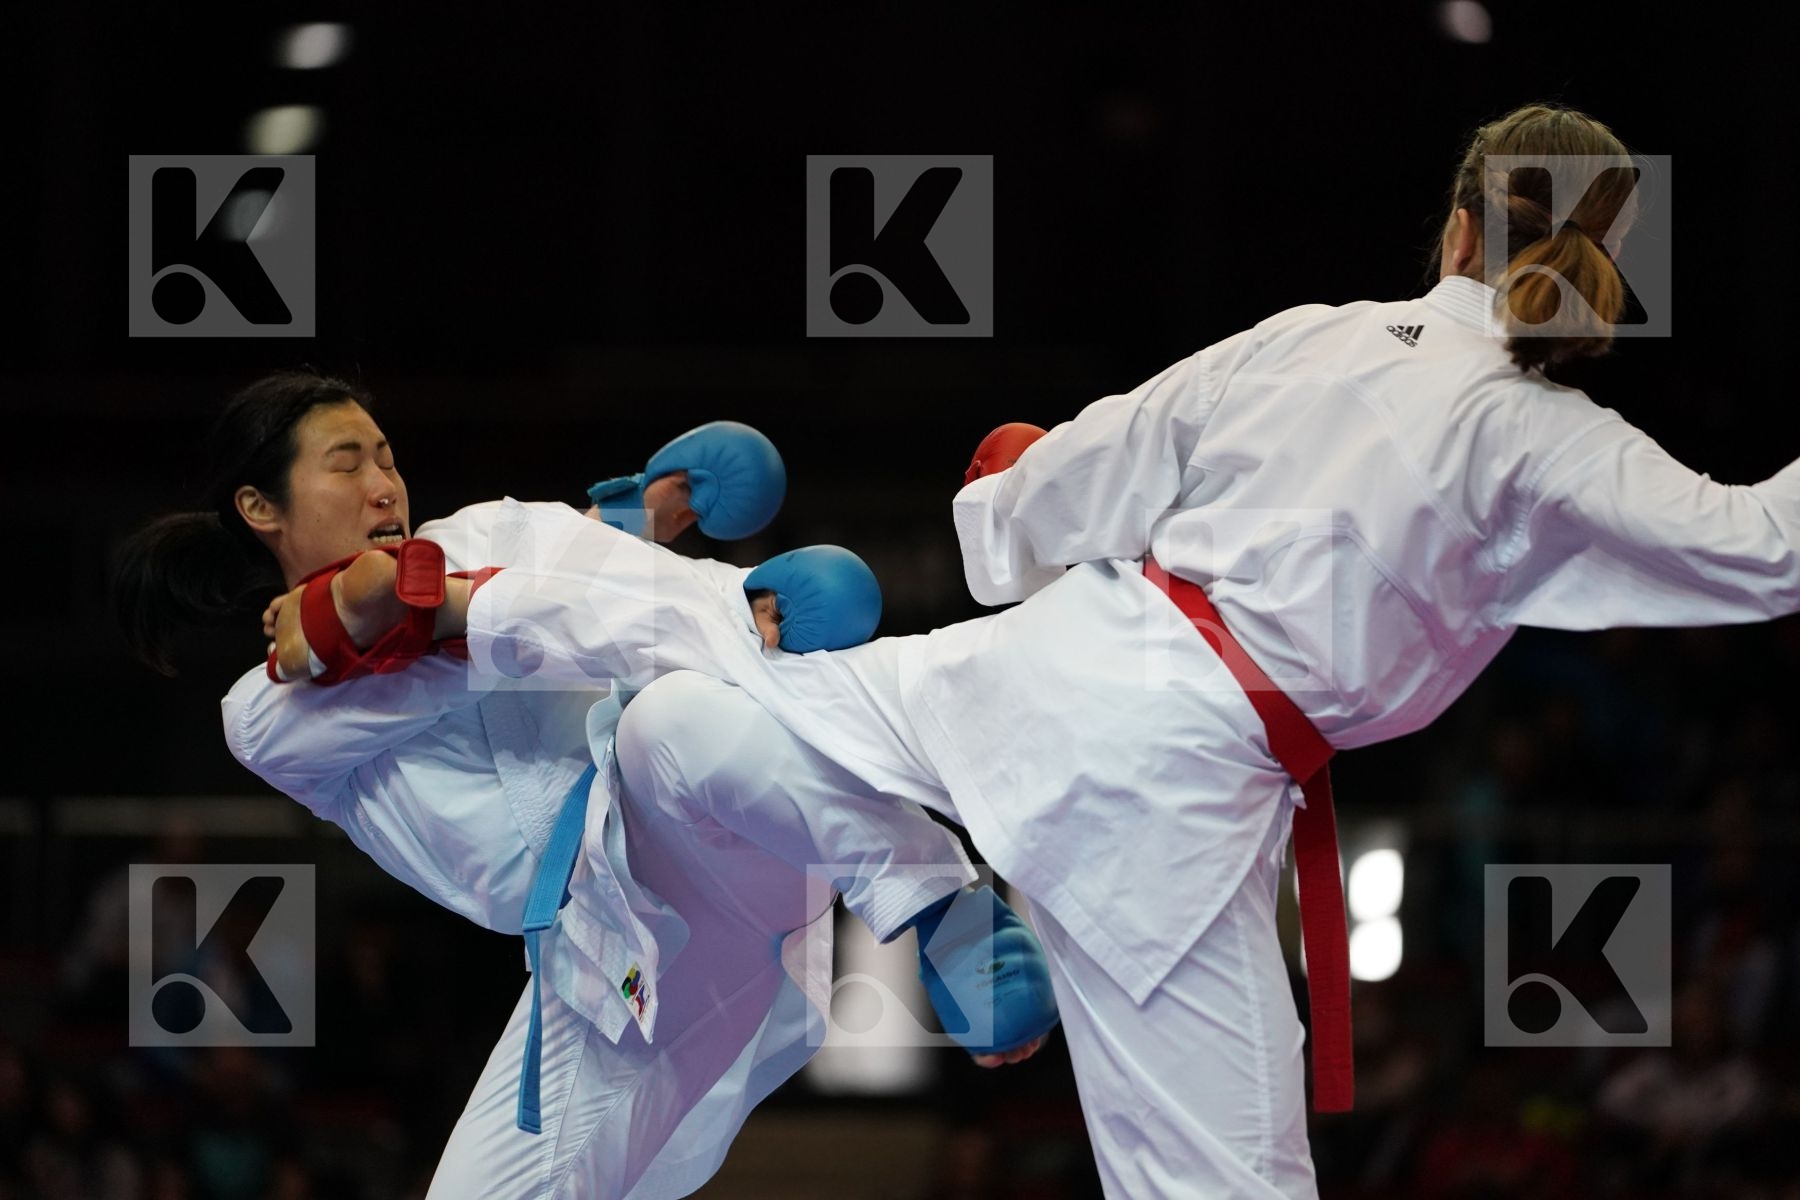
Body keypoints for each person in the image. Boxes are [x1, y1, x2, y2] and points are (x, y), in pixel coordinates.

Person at [403, 102, 1800, 1198]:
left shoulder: (1312, 337)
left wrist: (1005, 503)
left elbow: (1088, 467)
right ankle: (928, 895)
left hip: (1049, 662)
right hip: (1178, 786)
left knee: (688, 709)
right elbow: (1767, 548)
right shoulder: (1544, 433)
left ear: (1450, 235)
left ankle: (903, 874)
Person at [113, 371, 1057, 1199]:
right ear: (260, 508)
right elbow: (503, 651)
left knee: (670, 715)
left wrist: (663, 571)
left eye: (387, 456)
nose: (383, 483)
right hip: (612, 960)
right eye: (346, 462)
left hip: (715, 826)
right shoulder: (263, 718)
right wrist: (428, 607)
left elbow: (604, 592)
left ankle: (940, 902)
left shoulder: (483, 533)